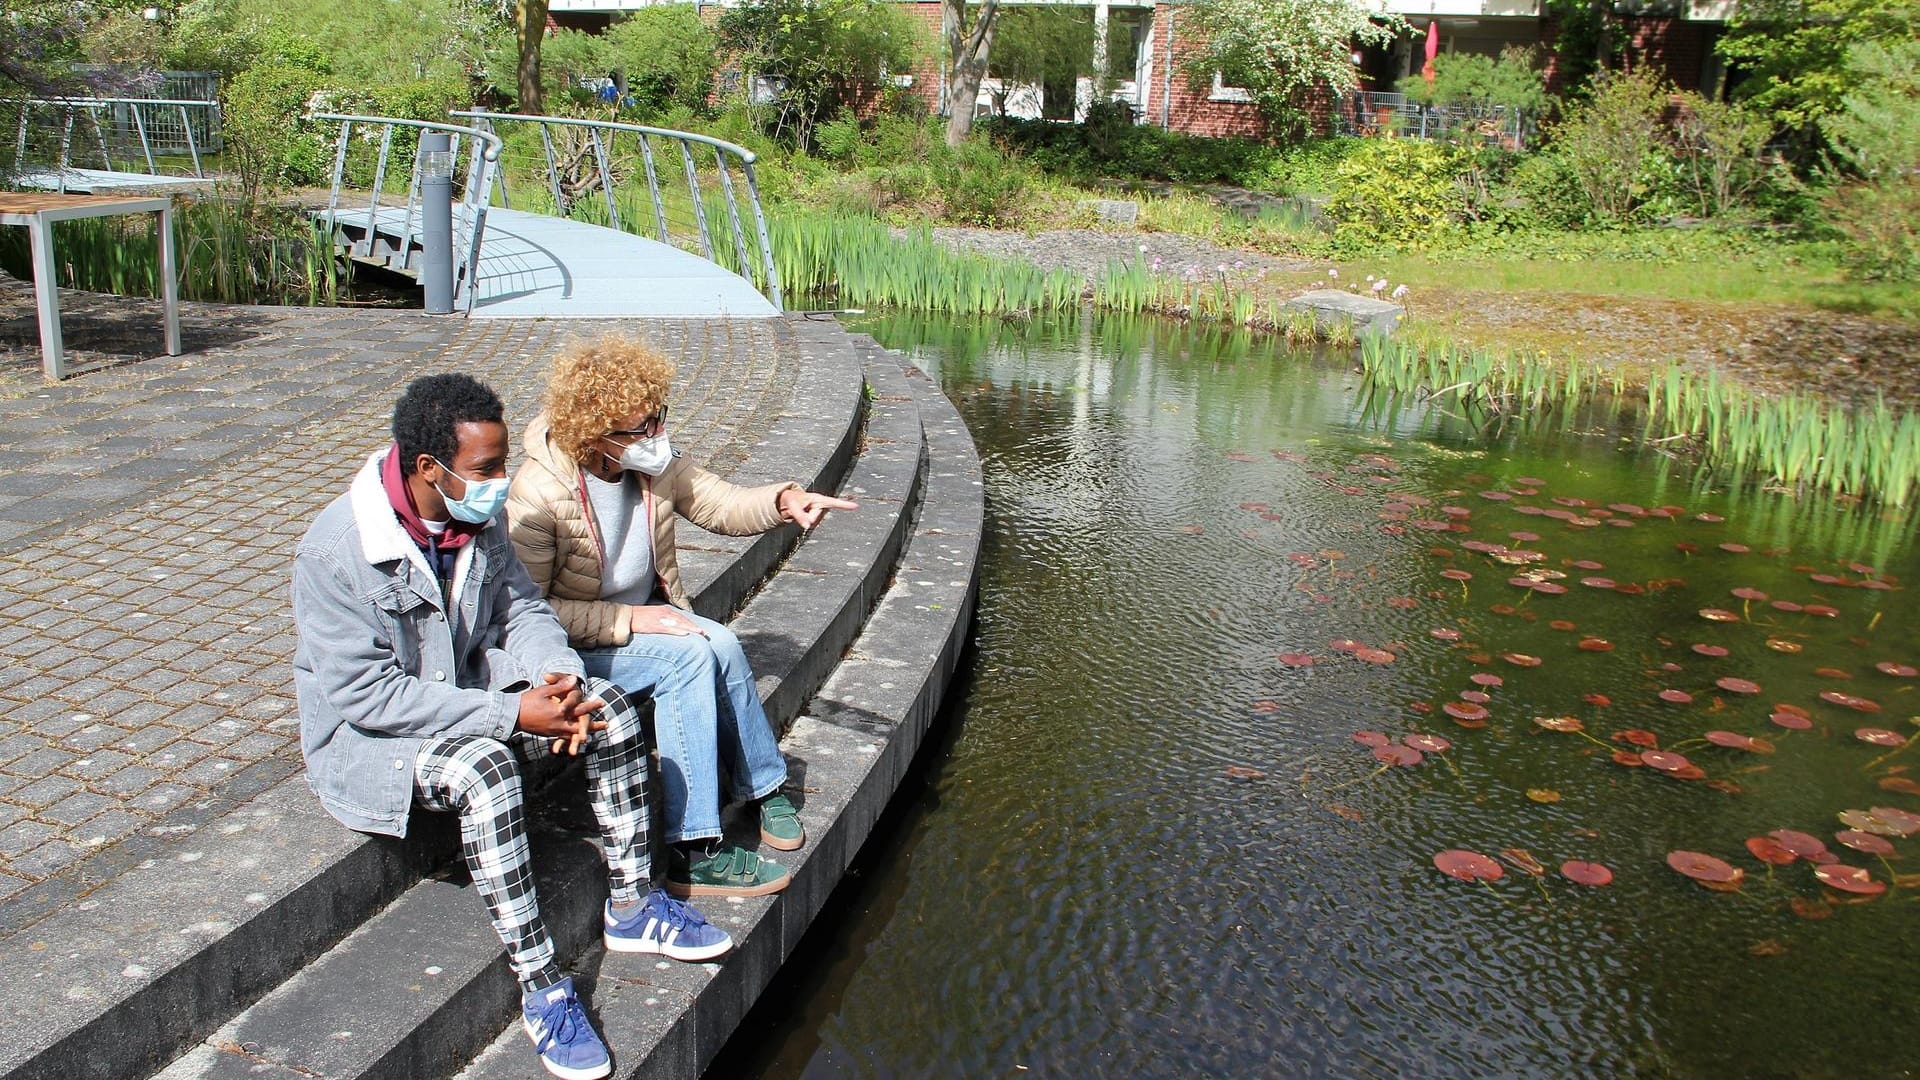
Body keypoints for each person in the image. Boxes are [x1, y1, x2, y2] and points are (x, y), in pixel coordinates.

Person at [291, 373, 731, 1080]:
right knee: (487, 771)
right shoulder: (335, 551)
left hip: (462, 694)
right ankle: (542, 985)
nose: (502, 482)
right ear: (428, 468)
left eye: (500, 464)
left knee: (606, 706)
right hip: (372, 743)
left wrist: (557, 679)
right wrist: (510, 711)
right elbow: (368, 697)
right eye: (487, 469)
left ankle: (632, 904)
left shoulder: (473, 514)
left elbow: (522, 610)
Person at [506, 335, 857, 898]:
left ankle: (763, 787)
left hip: (641, 621)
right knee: (689, 653)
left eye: (657, 418)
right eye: (639, 428)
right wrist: (632, 621)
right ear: (593, 433)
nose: (655, 436)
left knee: (719, 641)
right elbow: (530, 611)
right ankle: (693, 850)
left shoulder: (651, 462)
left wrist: (782, 499)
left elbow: (719, 503)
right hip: (577, 643)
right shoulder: (538, 491)